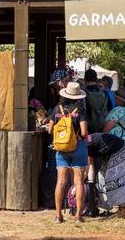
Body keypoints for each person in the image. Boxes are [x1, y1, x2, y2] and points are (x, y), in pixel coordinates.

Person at [49, 82, 89, 223]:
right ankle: (78, 216)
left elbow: (50, 130)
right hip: (78, 146)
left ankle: (58, 216)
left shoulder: (57, 109)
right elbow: (84, 132)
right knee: (78, 183)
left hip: (61, 148)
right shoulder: (81, 110)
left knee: (60, 182)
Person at [86, 133, 125, 218]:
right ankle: (108, 207)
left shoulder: (86, 145)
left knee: (116, 178)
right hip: (109, 152)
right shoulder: (86, 143)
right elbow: (91, 165)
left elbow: (90, 165)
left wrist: (89, 182)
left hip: (120, 148)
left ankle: (123, 210)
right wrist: (91, 182)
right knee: (101, 178)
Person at [85, 69, 109, 134]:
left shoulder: (83, 93)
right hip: (101, 124)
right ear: (96, 79)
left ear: (85, 79)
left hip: (87, 126)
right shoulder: (104, 93)